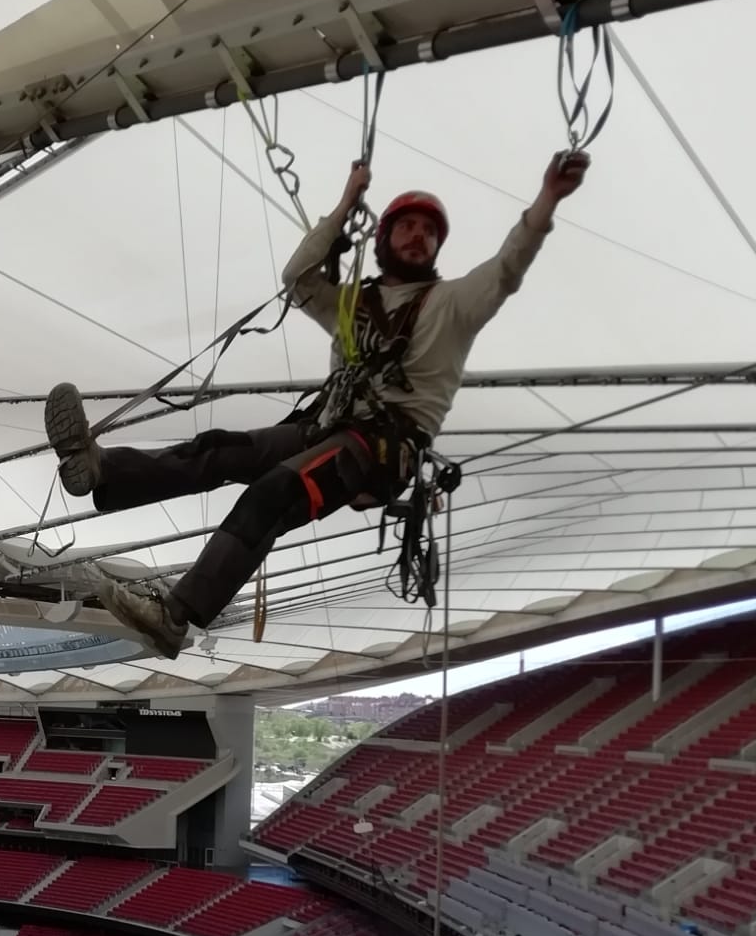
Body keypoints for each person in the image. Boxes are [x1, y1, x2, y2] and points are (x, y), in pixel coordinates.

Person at [44, 150, 590, 657]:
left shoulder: (452, 305)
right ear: (383, 238)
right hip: (324, 426)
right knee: (221, 450)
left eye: (428, 231)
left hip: (377, 448)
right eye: (407, 226)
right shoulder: (355, 304)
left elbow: (506, 268)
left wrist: (548, 197)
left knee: (274, 491)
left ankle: (176, 616)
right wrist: (344, 205)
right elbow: (298, 279)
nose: (418, 236)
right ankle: (106, 472)